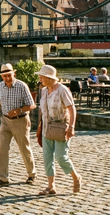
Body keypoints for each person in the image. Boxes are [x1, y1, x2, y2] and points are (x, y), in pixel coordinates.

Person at [0, 63, 37, 187]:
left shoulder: (21, 86)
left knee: (24, 148)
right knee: (3, 149)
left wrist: (18, 110)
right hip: (5, 121)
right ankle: (3, 178)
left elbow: (32, 104)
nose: (7, 78)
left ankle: (32, 174)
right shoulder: (0, 86)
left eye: (9, 75)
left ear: (14, 73)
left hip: (20, 120)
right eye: (4, 76)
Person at [36, 65, 82, 195]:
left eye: (42, 77)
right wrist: (39, 127)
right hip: (46, 127)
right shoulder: (44, 90)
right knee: (47, 158)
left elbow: (72, 109)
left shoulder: (62, 90)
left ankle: (76, 177)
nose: (40, 79)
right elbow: (43, 110)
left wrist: (71, 127)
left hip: (61, 127)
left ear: (49, 78)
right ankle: (51, 186)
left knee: (61, 157)